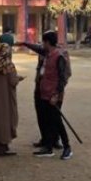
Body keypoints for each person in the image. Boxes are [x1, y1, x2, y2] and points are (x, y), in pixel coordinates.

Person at [20, 30, 73, 160]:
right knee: (47, 119)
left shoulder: (59, 56)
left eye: (43, 42)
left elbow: (62, 78)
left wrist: (56, 95)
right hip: (44, 92)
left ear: (47, 42)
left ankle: (67, 147)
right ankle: (48, 147)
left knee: (57, 121)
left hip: (53, 94)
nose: (41, 45)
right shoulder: (47, 54)